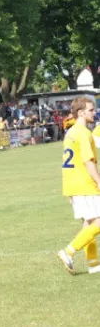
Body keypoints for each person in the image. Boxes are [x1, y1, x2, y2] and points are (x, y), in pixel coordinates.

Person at [57, 97, 100, 274]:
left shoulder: (71, 132)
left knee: (89, 223)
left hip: (72, 183)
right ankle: (68, 251)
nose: (94, 112)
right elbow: (88, 161)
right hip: (84, 183)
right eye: (91, 110)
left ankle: (93, 263)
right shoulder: (83, 133)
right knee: (97, 222)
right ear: (81, 113)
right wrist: (99, 181)